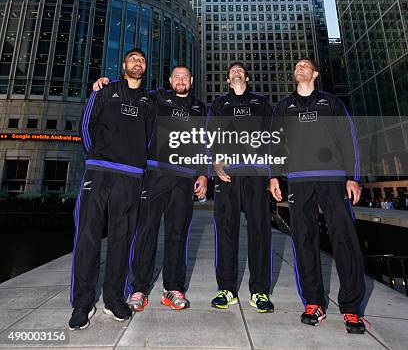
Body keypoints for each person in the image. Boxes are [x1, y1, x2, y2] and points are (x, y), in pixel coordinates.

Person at [93, 66, 207, 311]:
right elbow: (132, 87)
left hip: (184, 177)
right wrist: (107, 83)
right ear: (169, 80)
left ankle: (173, 288)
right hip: (155, 173)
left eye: (185, 77)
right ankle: (139, 289)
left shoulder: (200, 107)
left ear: (192, 80)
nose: (180, 80)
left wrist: (203, 174)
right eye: (176, 77)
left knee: (177, 233)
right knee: (147, 231)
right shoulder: (156, 97)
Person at [270, 58, 366, 334]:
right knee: (303, 240)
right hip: (299, 181)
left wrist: (353, 177)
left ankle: (351, 308)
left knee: (344, 238)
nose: (299, 67)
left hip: (333, 178)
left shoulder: (332, 103)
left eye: (305, 65)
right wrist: (274, 175)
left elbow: (349, 140)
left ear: (315, 73)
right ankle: (314, 302)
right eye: (296, 65)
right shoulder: (283, 107)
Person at [69, 48, 154, 331]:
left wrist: (140, 165)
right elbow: (86, 125)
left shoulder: (148, 101)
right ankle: (82, 303)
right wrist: (95, 156)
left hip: (131, 178)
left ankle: (113, 298)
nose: (137, 62)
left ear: (145, 67)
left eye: (141, 60)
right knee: (88, 236)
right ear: (124, 64)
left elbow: (151, 137)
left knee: (121, 239)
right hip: (100, 172)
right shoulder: (105, 90)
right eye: (133, 59)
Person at [209, 62, 275, 313]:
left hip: (256, 174)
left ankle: (259, 291)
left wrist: (273, 175)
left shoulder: (261, 102)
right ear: (228, 80)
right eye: (231, 72)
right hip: (228, 176)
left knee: (259, 231)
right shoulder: (219, 104)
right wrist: (214, 165)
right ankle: (226, 289)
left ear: (247, 77)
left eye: (239, 71)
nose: (235, 73)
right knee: (226, 231)